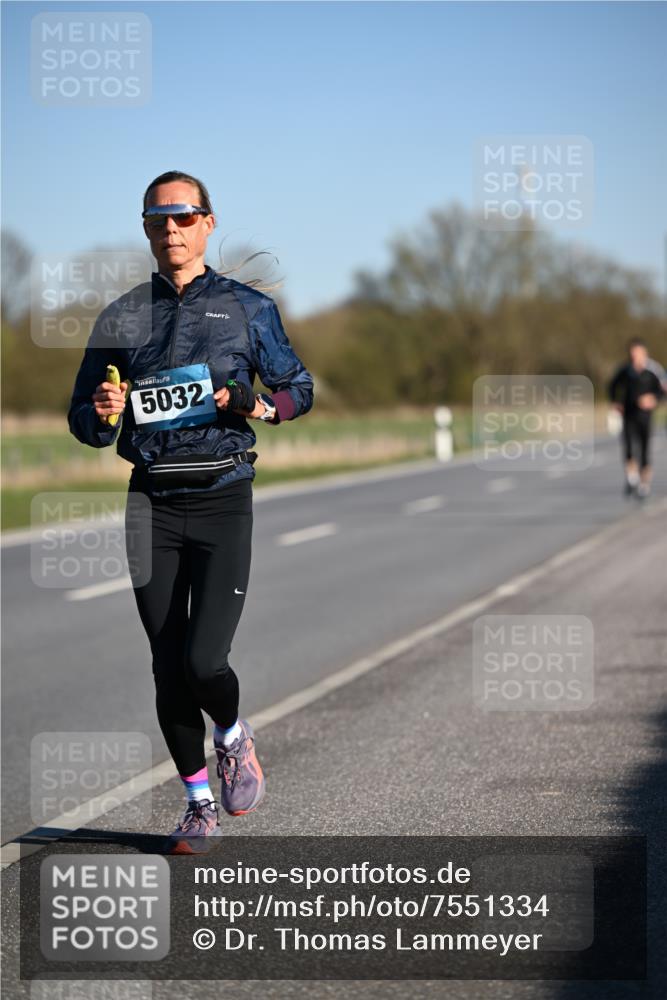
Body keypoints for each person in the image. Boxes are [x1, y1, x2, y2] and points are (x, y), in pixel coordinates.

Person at [68, 171, 314, 852]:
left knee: (205, 661)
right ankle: (197, 803)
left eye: (182, 217)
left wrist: (257, 405)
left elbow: (299, 388)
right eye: (156, 220)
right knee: (166, 661)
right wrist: (99, 413)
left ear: (207, 223)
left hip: (221, 497)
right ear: (146, 229)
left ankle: (233, 736)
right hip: (151, 501)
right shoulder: (121, 315)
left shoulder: (246, 309)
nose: (169, 230)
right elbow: (82, 419)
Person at [608, 338, 664, 499]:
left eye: (637, 354)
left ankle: (644, 485)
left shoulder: (653, 369)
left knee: (645, 451)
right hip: (628, 414)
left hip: (645, 416)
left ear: (644, 353)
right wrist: (615, 402)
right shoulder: (625, 370)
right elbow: (612, 386)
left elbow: (662, 390)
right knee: (629, 448)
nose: (635, 357)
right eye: (632, 354)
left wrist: (653, 399)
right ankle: (632, 479)